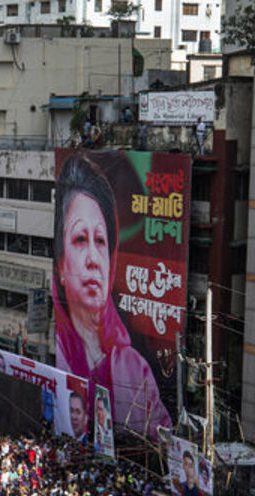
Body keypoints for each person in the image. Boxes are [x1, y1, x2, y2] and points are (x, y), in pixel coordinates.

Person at [53, 153, 171, 438]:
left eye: (101, 241)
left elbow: (163, 440)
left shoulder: (134, 368)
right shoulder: (56, 351)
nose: (94, 258)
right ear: (60, 265)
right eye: (81, 239)